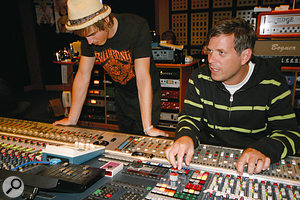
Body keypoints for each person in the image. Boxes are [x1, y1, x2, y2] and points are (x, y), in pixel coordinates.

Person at [165, 18, 300, 175]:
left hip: (254, 161)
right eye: (210, 51)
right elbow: (189, 118)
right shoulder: (200, 78)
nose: (211, 60)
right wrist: (185, 137)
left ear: (245, 56)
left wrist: (263, 149)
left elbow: (289, 134)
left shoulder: (272, 82)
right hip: (210, 155)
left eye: (221, 53)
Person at [53, 0, 167, 137]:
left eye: (92, 35)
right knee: (126, 138)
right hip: (122, 93)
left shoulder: (136, 27)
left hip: (146, 93)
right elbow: (83, 75)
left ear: (106, 20)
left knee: (144, 137)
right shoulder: (88, 35)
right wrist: (72, 118)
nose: (89, 42)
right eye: (85, 37)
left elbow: (143, 78)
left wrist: (148, 127)